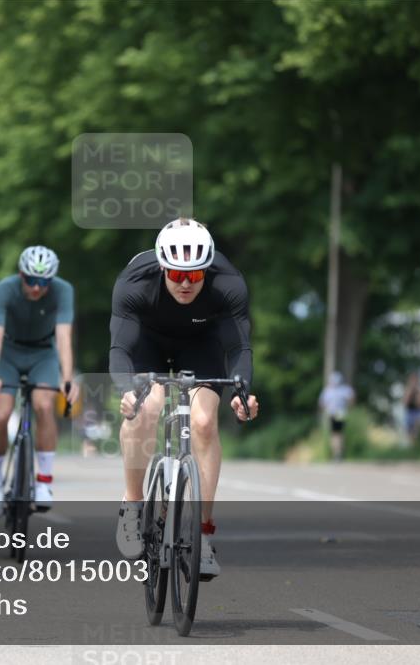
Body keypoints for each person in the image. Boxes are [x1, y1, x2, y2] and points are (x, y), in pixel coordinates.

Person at [109, 218, 259, 580]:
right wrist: (126, 391)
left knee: (205, 423)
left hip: (200, 343)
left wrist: (243, 393)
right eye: (177, 276)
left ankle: (203, 534)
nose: (186, 284)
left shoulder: (229, 285)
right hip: (148, 341)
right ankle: (132, 506)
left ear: (207, 270)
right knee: (147, 409)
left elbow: (238, 346)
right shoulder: (134, 283)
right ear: (163, 268)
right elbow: (120, 348)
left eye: (195, 276)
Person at [0, 246, 77, 516]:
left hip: (42, 353)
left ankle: (44, 480)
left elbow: (64, 338)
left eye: (44, 282)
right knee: (0, 414)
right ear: (21, 275)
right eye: (31, 280)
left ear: (52, 279)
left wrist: (67, 378)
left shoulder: (63, 290)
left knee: (45, 405)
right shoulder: (3, 289)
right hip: (8, 352)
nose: (36, 288)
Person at [318, 371, 355, 461]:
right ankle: (337, 453)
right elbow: (352, 398)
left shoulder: (330, 390)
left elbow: (322, 403)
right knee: (338, 433)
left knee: (336, 433)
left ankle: (337, 453)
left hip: (336, 413)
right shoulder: (341, 389)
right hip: (337, 413)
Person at [402, 372, 420, 446]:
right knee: (409, 429)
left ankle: (418, 443)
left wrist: (419, 394)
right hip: (410, 412)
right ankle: (414, 445)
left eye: (415, 380)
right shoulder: (407, 390)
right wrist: (410, 390)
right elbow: (405, 403)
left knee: (419, 422)